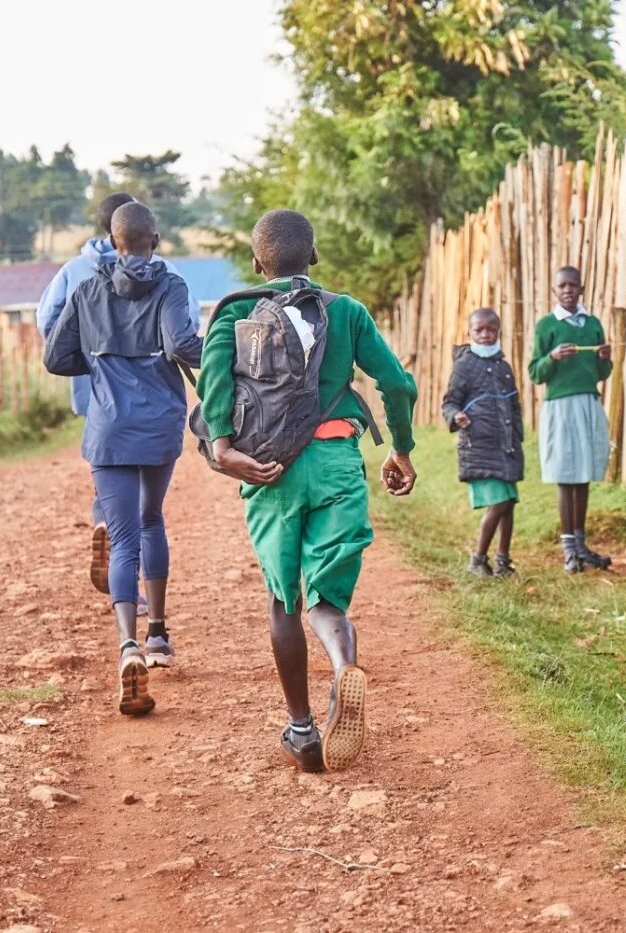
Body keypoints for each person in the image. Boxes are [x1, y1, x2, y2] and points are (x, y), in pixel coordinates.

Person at [196, 208, 417, 774]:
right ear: (312, 257)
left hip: (268, 470)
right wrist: (401, 448)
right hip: (337, 461)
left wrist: (224, 449)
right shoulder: (345, 313)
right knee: (327, 599)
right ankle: (343, 665)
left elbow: (215, 383)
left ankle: (301, 730)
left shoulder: (236, 312)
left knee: (284, 597)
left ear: (256, 262)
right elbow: (395, 382)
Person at [43, 202, 201, 712]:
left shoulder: (88, 288)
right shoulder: (171, 286)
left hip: (108, 428)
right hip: (158, 424)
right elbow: (182, 345)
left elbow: (54, 357)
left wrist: (96, 360)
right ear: (154, 239)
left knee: (123, 535)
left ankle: (127, 645)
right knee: (152, 520)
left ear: (113, 243)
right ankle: (158, 636)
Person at [528, 266, 615, 574]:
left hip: (588, 402)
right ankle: (568, 549)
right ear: (555, 291)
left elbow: (602, 374)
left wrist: (605, 358)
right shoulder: (547, 326)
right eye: (562, 285)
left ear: (582, 289)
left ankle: (580, 545)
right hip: (560, 407)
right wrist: (551, 357)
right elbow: (535, 372)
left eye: (573, 285)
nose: (568, 290)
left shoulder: (592, 325)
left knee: (583, 474)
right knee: (566, 475)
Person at [441, 308, 523, 577]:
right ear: (470, 332)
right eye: (480, 330)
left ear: (499, 331)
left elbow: (514, 405)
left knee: (509, 503)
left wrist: (518, 437)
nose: (486, 334)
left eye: (491, 329)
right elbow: (449, 401)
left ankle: (502, 561)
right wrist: (457, 416)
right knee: (498, 503)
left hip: (507, 446)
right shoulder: (465, 365)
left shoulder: (504, 365)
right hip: (479, 446)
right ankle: (477, 560)